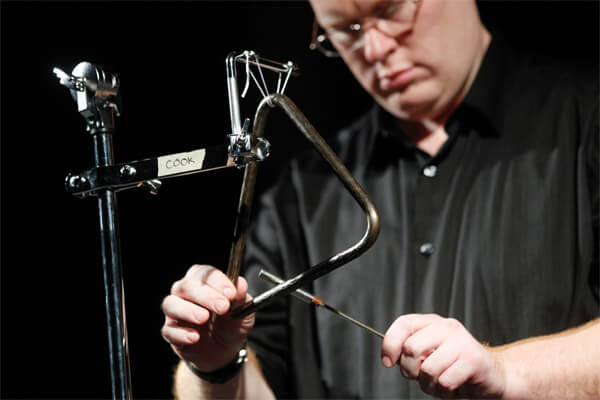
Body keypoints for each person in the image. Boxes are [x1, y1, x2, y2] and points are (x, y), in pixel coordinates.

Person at [161, 0, 599, 398]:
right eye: (345, 30)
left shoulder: (586, 123)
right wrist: (215, 368)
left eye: (390, 10)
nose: (373, 48)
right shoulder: (301, 197)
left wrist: (507, 373)